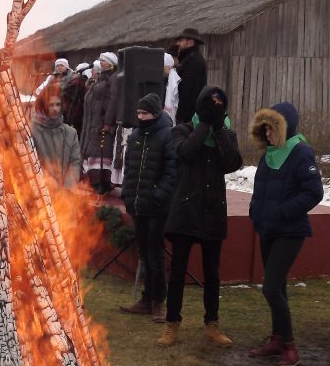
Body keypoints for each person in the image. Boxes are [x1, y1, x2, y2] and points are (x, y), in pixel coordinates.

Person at [157, 86, 243, 348]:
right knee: (178, 270)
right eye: (210, 103)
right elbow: (185, 153)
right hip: (186, 209)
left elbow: (232, 163)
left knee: (212, 272)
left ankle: (212, 323)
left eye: (219, 104)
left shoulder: (226, 133)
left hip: (212, 210)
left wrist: (217, 129)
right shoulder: (182, 129)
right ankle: (172, 323)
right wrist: (204, 124)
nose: (215, 107)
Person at [247, 102, 323, 366]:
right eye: (264, 129)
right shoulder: (269, 154)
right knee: (277, 288)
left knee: (270, 287)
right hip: (268, 229)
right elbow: (260, 189)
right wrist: (255, 210)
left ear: (285, 127)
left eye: (272, 128)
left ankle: (290, 348)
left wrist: (282, 212)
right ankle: (277, 339)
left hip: (290, 230)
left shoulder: (301, 153)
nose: (267, 134)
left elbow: (314, 193)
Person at [118, 93, 177, 320]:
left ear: (154, 113)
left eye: (144, 113)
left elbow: (173, 172)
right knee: (144, 253)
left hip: (157, 207)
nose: (140, 117)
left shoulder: (167, 136)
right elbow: (129, 170)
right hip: (137, 204)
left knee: (156, 255)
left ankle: (158, 302)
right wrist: (127, 193)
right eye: (138, 113)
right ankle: (146, 298)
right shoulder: (134, 138)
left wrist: (158, 195)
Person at [81, 51, 120, 194]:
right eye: (100, 60)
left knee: (102, 152)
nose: (101, 62)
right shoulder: (101, 78)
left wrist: (107, 121)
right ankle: (93, 182)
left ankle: (103, 182)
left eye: (104, 60)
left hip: (102, 123)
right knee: (93, 152)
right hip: (93, 122)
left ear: (111, 63)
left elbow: (113, 101)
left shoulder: (114, 78)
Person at [30, 86, 81, 190]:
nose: (55, 109)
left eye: (58, 104)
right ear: (43, 106)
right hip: (39, 192)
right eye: (51, 105)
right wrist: (47, 181)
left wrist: (67, 187)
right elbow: (31, 162)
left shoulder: (70, 133)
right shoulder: (31, 131)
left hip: (64, 195)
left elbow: (75, 162)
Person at [171, 28, 207, 125]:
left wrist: (181, 117)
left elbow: (189, 90)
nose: (178, 43)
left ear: (190, 42)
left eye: (181, 41)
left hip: (188, 117)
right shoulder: (187, 58)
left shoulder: (193, 61)